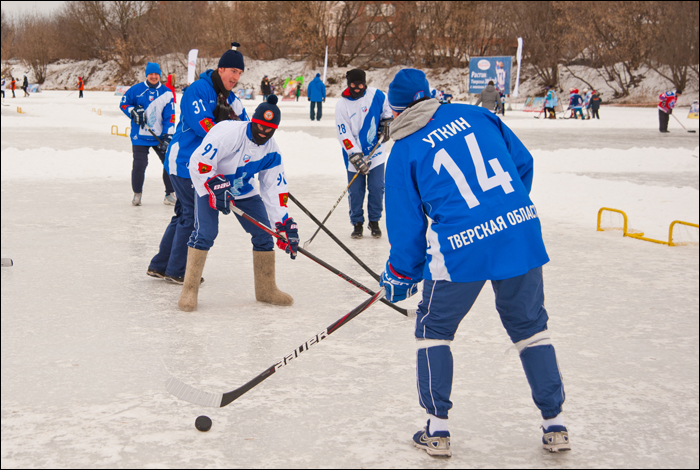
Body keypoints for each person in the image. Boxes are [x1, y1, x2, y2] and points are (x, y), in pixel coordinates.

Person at [379, 68, 569, 458]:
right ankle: (555, 424)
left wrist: (402, 271)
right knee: (531, 328)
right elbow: (524, 163)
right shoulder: (478, 114)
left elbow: (405, 223)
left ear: (396, 110)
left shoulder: (404, 149)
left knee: (434, 329)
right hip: (519, 233)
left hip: (460, 247)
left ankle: (437, 428)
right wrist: (500, 213)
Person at [178, 95, 298, 311]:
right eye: (260, 125)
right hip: (210, 181)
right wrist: (214, 185)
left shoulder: (272, 151)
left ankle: (266, 289)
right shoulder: (229, 134)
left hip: (241, 187)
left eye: (269, 128)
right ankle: (189, 290)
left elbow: (274, 188)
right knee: (206, 233)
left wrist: (283, 223)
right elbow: (199, 163)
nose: (263, 131)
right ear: (253, 121)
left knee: (264, 233)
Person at [147, 42, 249, 285]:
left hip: (201, 163)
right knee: (192, 215)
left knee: (183, 212)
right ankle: (177, 269)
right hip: (183, 160)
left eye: (239, 73)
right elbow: (203, 124)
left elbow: (246, 127)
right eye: (232, 71)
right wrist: (226, 137)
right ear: (221, 69)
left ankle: (161, 265)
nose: (235, 77)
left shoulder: (232, 99)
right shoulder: (199, 90)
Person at [335, 68, 392, 239]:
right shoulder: (342, 104)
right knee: (356, 191)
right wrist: (354, 154)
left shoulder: (377, 95)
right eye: (353, 84)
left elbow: (387, 112)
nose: (357, 88)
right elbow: (343, 133)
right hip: (354, 155)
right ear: (348, 84)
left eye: (360, 84)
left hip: (376, 152)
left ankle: (374, 221)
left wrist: (387, 124)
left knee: (377, 188)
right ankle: (357, 223)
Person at [119, 62, 176, 206]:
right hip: (140, 137)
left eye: (156, 74)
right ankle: (137, 194)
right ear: (146, 75)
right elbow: (124, 104)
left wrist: (168, 135)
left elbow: (170, 116)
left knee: (169, 163)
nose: (154, 76)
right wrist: (133, 111)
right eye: (151, 74)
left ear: (159, 75)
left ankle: (169, 194)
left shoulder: (167, 93)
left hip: (159, 137)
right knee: (140, 165)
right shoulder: (136, 89)